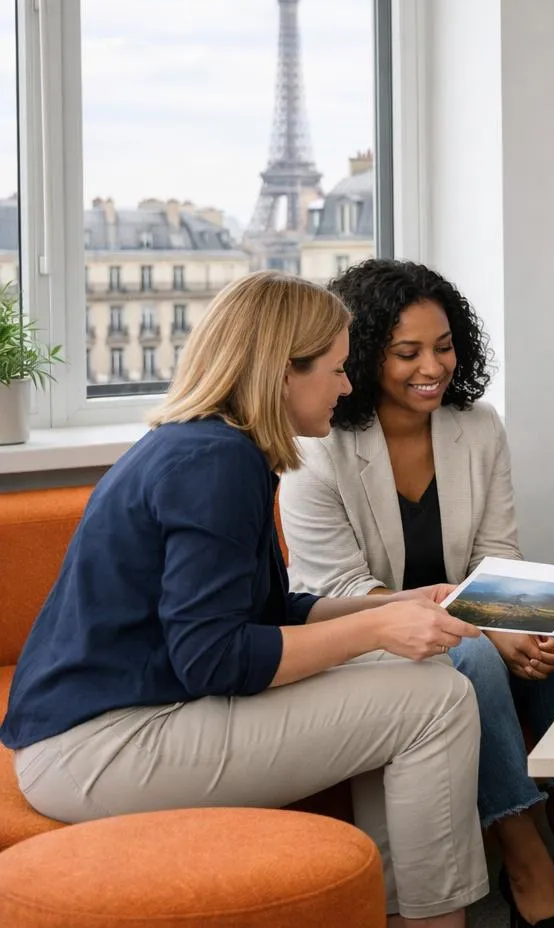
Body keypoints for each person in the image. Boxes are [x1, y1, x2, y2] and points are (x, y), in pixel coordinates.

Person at [0, 271, 488, 928]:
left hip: (101, 730)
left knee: (415, 674)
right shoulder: (217, 463)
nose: (348, 387)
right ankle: (430, 920)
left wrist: (394, 606)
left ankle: (394, 908)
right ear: (284, 371)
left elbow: (266, 615)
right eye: (338, 370)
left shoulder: (212, 446)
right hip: (97, 749)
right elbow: (215, 659)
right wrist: (377, 633)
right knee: (438, 699)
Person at [280, 259, 554, 928]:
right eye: (407, 352)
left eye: (444, 345)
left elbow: (499, 553)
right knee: (477, 660)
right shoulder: (316, 448)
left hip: (462, 602)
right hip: (369, 627)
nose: (431, 366)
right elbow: (343, 587)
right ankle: (522, 849)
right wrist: (489, 629)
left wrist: (508, 617)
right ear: (367, 353)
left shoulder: (478, 426)